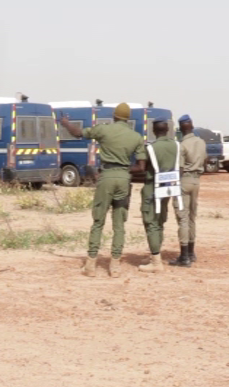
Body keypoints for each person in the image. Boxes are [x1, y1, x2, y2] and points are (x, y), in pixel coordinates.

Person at [60, 103, 146, 277]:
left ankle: (91, 265)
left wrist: (65, 123)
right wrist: (122, 170)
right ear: (128, 118)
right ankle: (115, 266)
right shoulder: (136, 137)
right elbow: (141, 166)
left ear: (114, 116)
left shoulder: (103, 130)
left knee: (98, 221)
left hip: (106, 178)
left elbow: (78, 133)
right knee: (119, 224)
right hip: (123, 180)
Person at [136, 119, 180, 273]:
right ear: (167, 130)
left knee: (151, 223)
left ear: (154, 131)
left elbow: (141, 168)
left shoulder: (150, 148)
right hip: (167, 188)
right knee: (160, 220)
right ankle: (156, 255)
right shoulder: (176, 145)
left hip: (152, 188)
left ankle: (156, 262)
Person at [169, 114, 207, 266]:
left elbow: (179, 168)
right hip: (196, 180)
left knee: (183, 218)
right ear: (191, 126)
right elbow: (205, 159)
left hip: (184, 180)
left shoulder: (181, 146)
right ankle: (191, 253)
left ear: (180, 129)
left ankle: (184, 257)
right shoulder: (201, 142)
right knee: (192, 217)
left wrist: (173, 186)